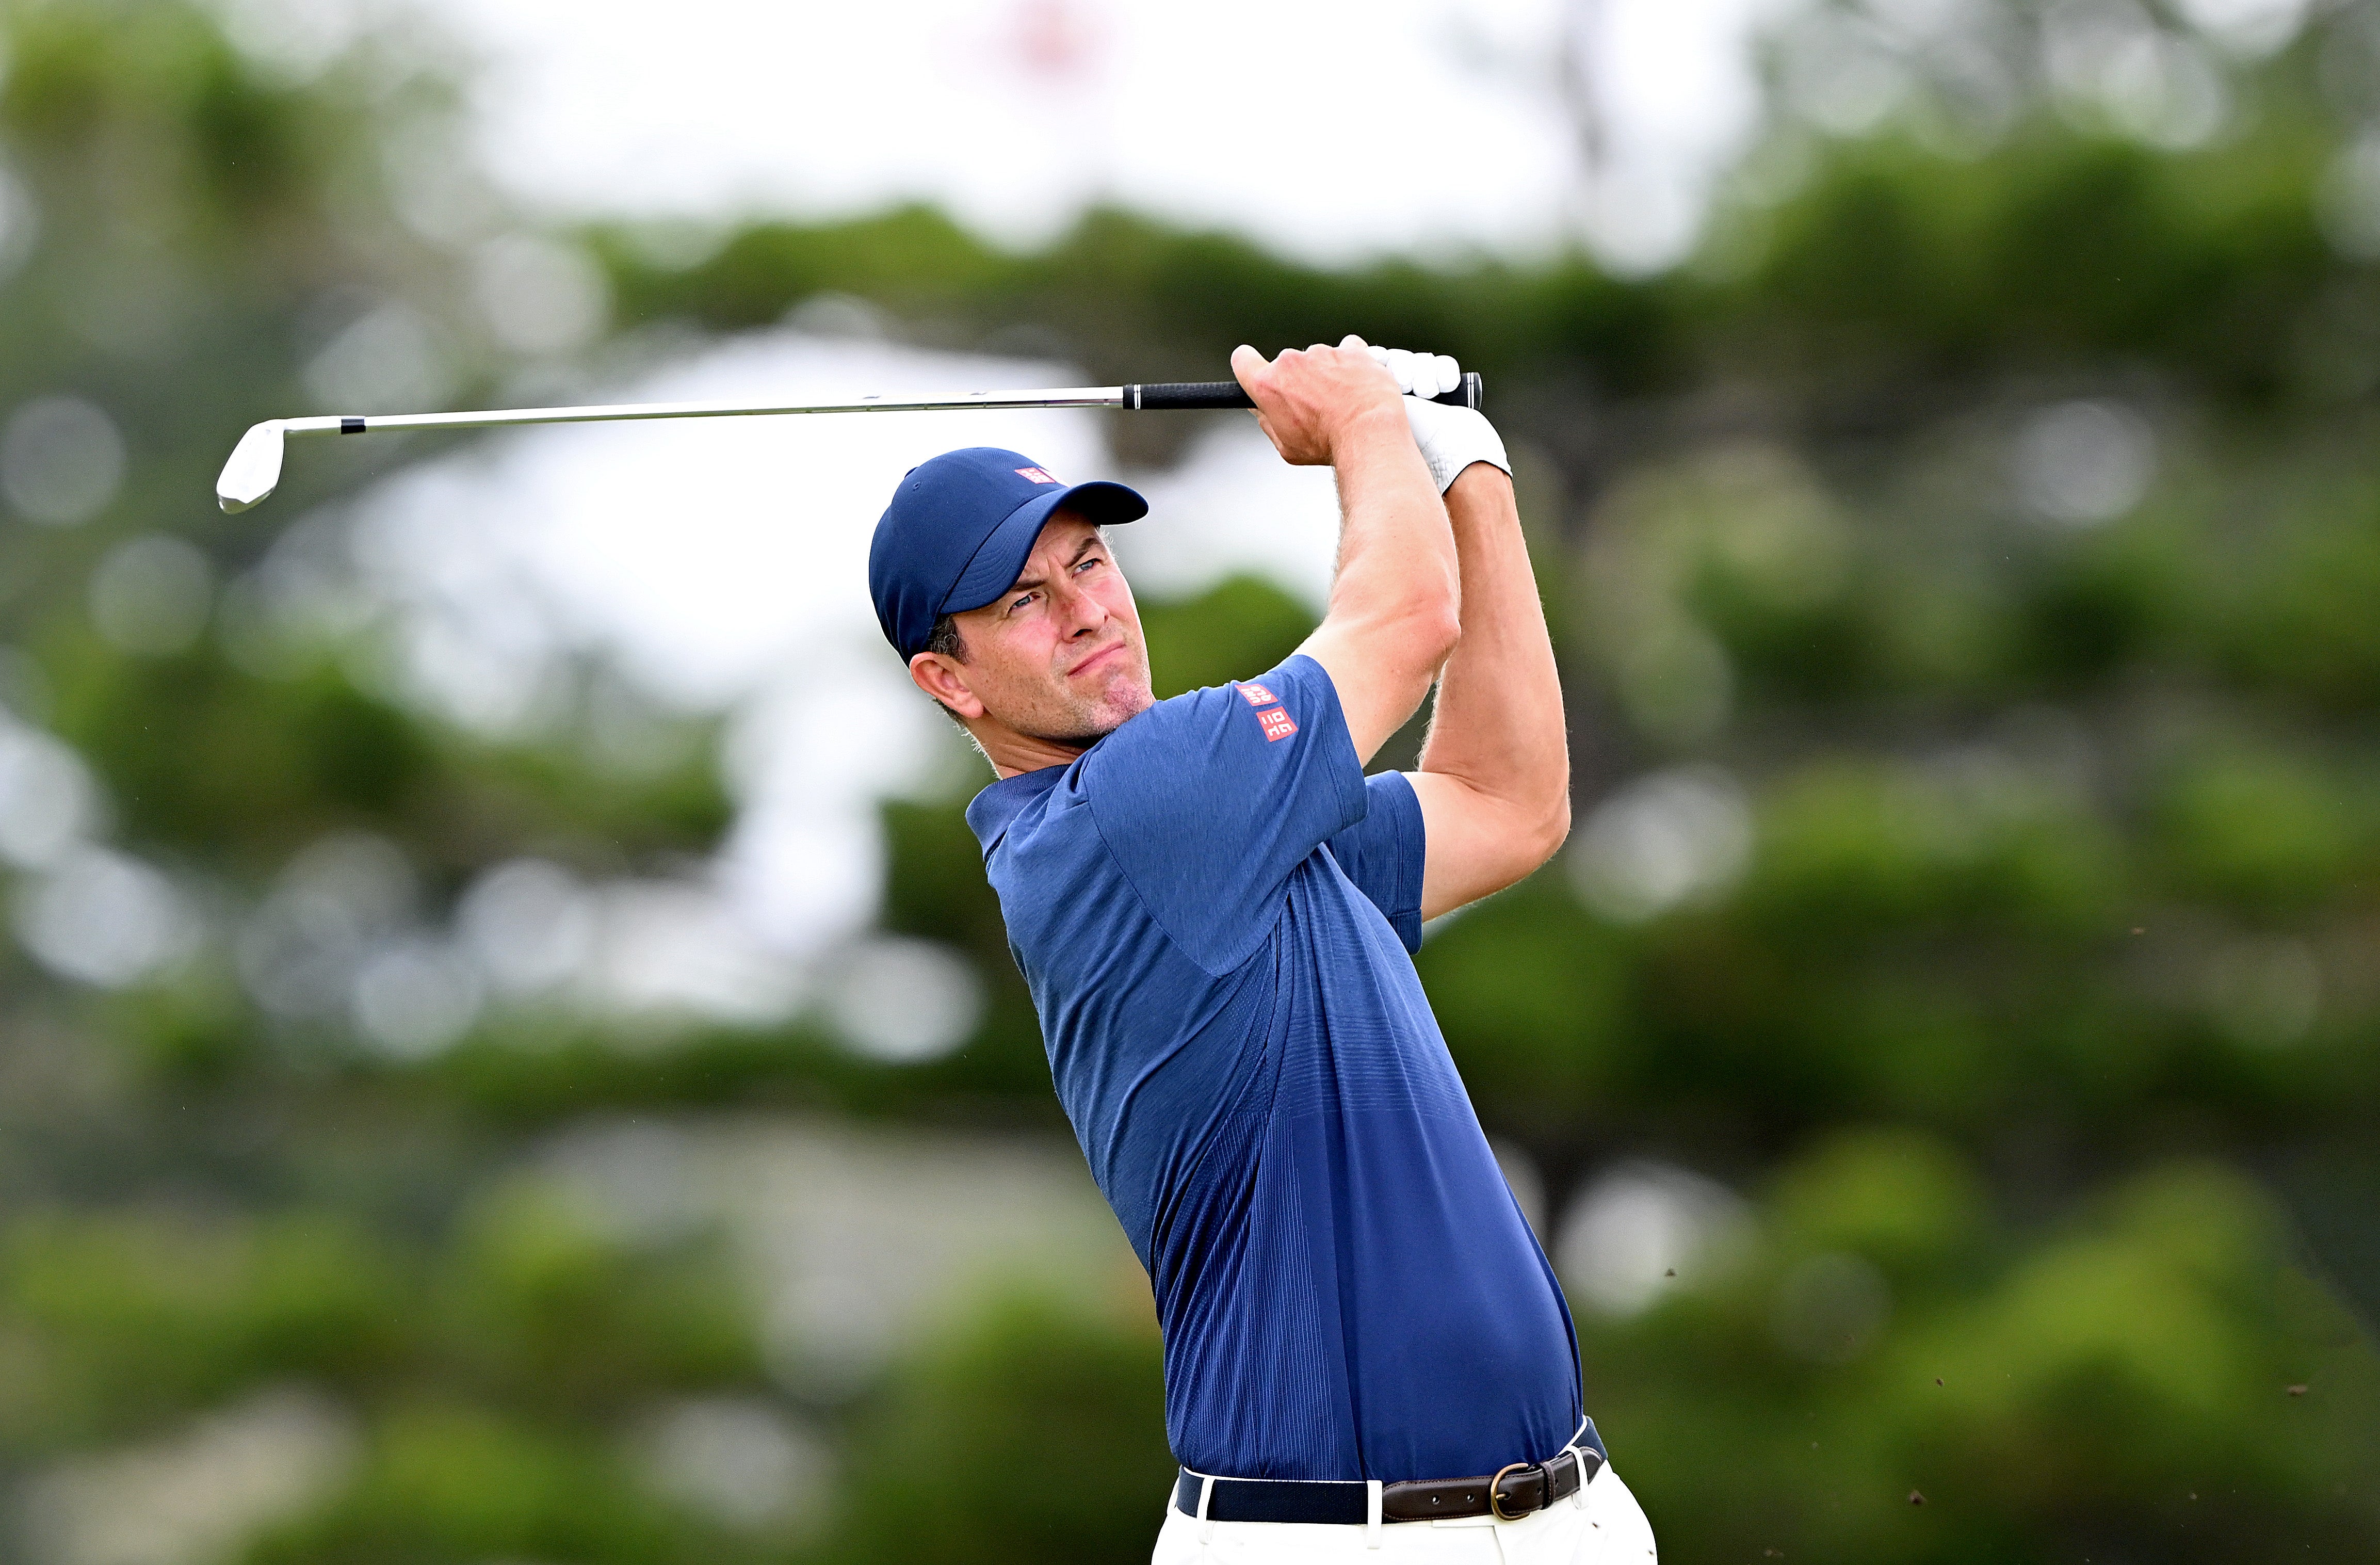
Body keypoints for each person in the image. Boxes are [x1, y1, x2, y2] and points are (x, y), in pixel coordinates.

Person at [867, 337, 1658, 1562]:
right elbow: (1405, 615)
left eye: (1089, 561)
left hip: (1563, 1512)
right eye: (1023, 601)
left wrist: (1467, 466)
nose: (1087, 611)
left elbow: (1509, 802)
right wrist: (1363, 426)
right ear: (947, 680)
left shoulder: (1242, 823)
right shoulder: (1134, 807)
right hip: (1335, 1542)